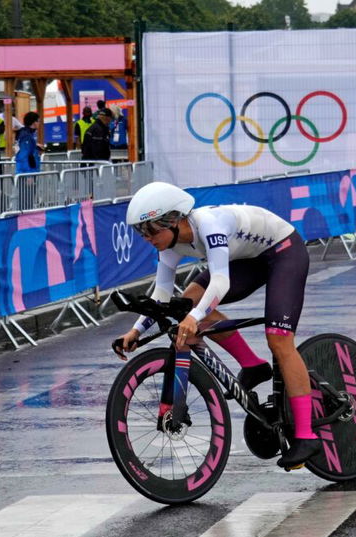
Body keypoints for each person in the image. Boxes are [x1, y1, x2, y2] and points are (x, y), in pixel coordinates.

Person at [114, 182, 320, 469]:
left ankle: (306, 435)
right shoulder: (170, 245)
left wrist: (195, 317)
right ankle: (253, 365)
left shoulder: (209, 225)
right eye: (141, 232)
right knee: (185, 303)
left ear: (173, 220)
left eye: (150, 230)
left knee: (279, 339)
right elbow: (161, 294)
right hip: (247, 259)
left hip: (283, 251)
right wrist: (136, 331)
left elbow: (220, 282)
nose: (146, 238)